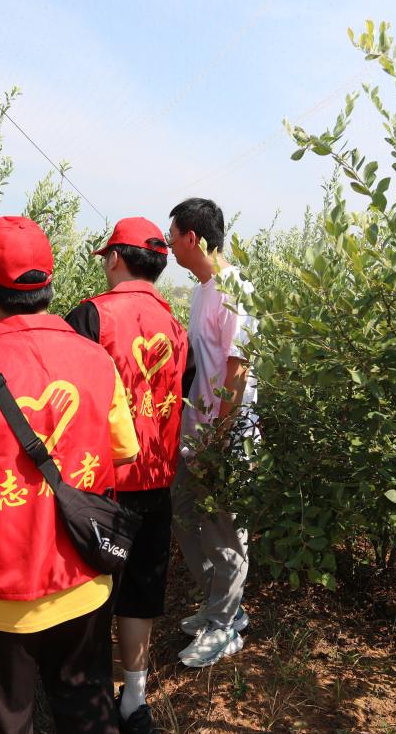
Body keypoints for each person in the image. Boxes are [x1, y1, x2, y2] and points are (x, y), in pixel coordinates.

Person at [0, 215, 139, 734]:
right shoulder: (97, 361)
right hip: (84, 577)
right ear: (48, 286)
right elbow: (124, 454)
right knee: (86, 709)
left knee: (1, 720)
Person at [65, 218, 189, 733]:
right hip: (157, 478)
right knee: (141, 590)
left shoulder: (91, 316)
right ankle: (134, 699)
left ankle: (88, 694)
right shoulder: (176, 328)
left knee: (92, 587)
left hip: (101, 483)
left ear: (115, 257)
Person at [165, 198, 258, 668]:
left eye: (173, 238)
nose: (170, 248)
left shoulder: (235, 288)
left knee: (224, 529)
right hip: (198, 430)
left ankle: (224, 626)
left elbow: (237, 373)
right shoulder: (203, 290)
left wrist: (218, 439)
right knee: (183, 513)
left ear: (193, 238)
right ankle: (224, 606)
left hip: (227, 433)